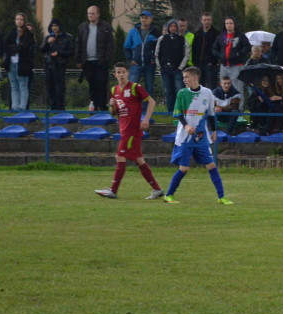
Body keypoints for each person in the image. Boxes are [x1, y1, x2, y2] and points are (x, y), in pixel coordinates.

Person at [94, 62, 163, 199]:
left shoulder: (135, 87)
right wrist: (112, 106)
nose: (121, 75)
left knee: (120, 156)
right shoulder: (114, 90)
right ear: (115, 75)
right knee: (139, 160)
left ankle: (113, 190)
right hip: (123, 128)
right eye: (118, 72)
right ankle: (156, 189)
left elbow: (152, 102)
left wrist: (146, 119)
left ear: (128, 73)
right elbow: (114, 113)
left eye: (123, 72)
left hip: (132, 129)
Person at [162, 67, 231, 204]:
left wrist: (214, 131)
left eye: (186, 77)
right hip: (185, 137)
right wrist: (186, 126)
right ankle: (169, 195)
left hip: (201, 136)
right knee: (184, 168)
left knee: (211, 165)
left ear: (195, 77)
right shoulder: (182, 93)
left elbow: (211, 114)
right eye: (184, 77)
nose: (184, 80)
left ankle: (221, 197)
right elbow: (178, 113)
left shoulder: (207, 93)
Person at [76, 5, 115, 111]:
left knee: (102, 84)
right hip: (88, 62)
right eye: (89, 13)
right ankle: (94, 106)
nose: (90, 15)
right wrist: (79, 60)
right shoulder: (82, 27)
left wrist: (107, 59)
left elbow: (110, 44)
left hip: (101, 61)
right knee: (92, 85)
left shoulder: (105, 27)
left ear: (98, 14)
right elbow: (78, 44)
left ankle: (103, 106)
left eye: (93, 13)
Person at [3, 11, 36, 111]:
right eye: (17, 19)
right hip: (11, 62)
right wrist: (14, 49)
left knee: (23, 86)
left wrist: (17, 48)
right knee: (14, 86)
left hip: (22, 64)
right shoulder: (12, 33)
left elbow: (25, 48)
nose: (19, 21)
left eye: (21, 19)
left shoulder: (28, 34)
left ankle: (22, 107)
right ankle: (15, 106)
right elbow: (5, 45)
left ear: (24, 21)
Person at [124, 10, 160, 101]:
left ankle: (147, 107)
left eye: (146, 18)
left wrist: (154, 60)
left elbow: (159, 48)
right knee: (131, 86)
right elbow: (126, 47)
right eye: (142, 18)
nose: (143, 20)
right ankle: (130, 105)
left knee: (149, 88)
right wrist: (130, 60)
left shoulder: (155, 33)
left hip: (149, 65)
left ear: (151, 19)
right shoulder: (133, 31)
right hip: (136, 64)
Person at [155, 18, 188, 112]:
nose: (173, 28)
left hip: (177, 69)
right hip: (165, 69)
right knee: (168, 91)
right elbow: (157, 53)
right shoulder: (162, 39)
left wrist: (180, 67)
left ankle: (179, 110)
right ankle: (170, 111)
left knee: (179, 90)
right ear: (168, 27)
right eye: (171, 26)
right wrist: (160, 67)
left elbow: (186, 54)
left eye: (175, 26)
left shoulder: (182, 39)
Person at [41, 18, 74, 111]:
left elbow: (71, 51)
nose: (54, 28)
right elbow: (42, 49)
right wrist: (47, 43)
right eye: (52, 26)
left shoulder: (67, 37)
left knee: (60, 88)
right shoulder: (48, 37)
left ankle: (60, 107)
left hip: (60, 66)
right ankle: (53, 107)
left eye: (56, 26)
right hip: (49, 66)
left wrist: (59, 53)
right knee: (50, 87)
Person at [213, 16, 251, 86]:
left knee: (237, 87)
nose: (229, 25)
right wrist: (220, 55)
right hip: (224, 66)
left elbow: (247, 47)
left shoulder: (240, 36)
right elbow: (214, 48)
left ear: (234, 24)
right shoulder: (221, 37)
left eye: (231, 23)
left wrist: (238, 54)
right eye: (227, 23)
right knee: (224, 87)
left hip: (237, 65)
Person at [193, 13, 220, 88]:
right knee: (199, 86)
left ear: (211, 21)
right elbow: (194, 49)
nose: (206, 22)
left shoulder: (216, 34)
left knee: (212, 86)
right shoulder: (197, 34)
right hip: (199, 64)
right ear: (201, 21)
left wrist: (213, 61)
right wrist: (195, 62)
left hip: (211, 65)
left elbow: (218, 49)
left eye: (208, 20)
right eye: (205, 20)